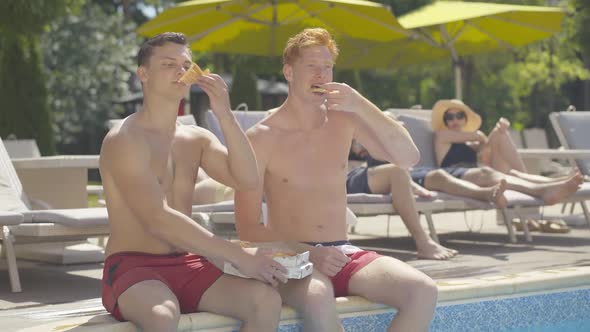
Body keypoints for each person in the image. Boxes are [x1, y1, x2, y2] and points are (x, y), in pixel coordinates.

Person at [235, 28, 438, 332]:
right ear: (289, 72)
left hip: (341, 251)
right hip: (290, 257)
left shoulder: (344, 119)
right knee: (318, 296)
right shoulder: (260, 138)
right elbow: (247, 227)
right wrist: (309, 253)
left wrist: (359, 102)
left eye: (327, 67)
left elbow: (408, 157)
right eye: (312, 66)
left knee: (422, 291)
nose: (321, 74)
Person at [99, 32, 287, 332]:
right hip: (134, 265)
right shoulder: (125, 140)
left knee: (266, 301)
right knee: (162, 315)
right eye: (168, 64)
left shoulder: (196, 138)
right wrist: (238, 255)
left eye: (186, 64)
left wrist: (225, 115)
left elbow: (247, 179)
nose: (180, 71)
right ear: (143, 74)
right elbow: (156, 219)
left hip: (187, 262)